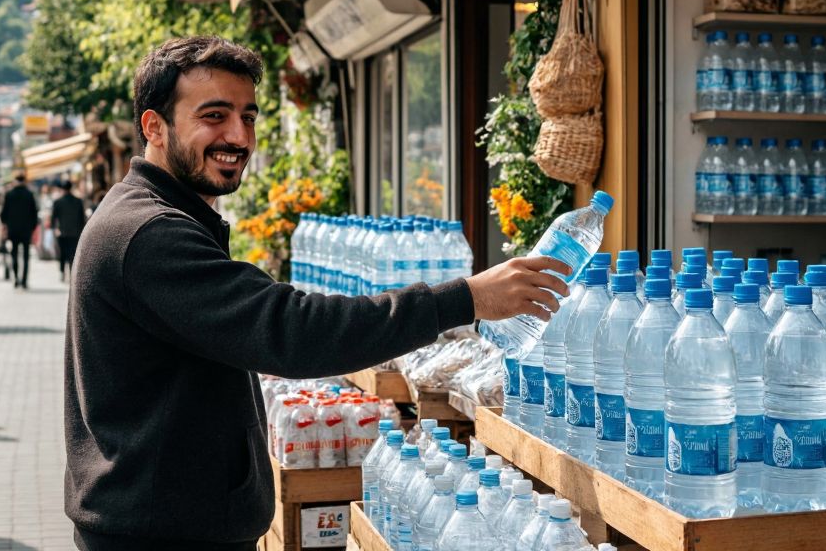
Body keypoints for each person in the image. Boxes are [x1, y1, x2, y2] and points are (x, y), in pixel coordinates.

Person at [64, 36, 567, 550]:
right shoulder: (148, 233)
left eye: (249, 116)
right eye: (214, 116)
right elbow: (291, 331)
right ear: (155, 126)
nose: (238, 135)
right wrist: (464, 298)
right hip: (159, 536)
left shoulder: (160, 217)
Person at [0, 172, 39, 289]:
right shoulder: (29, 194)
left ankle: (16, 279)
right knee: (26, 255)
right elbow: (34, 213)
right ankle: (24, 281)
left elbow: (3, 214)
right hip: (26, 230)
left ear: (15, 180)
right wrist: (32, 227)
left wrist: (6, 224)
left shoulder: (9, 194)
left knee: (14, 254)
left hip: (13, 230)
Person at [50, 179, 87, 281]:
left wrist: (55, 229)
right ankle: (72, 273)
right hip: (75, 232)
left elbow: (53, 218)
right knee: (73, 253)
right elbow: (82, 218)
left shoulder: (57, 202)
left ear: (62, 189)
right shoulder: (78, 201)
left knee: (62, 253)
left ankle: (62, 272)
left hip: (62, 232)